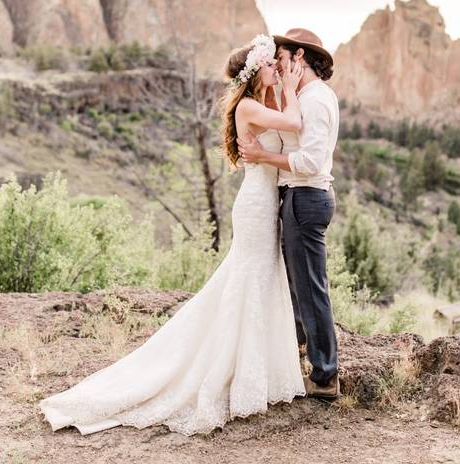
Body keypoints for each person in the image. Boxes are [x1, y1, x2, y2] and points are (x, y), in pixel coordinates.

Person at [38, 34, 308, 436]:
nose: (277, 68)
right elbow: (296, 124)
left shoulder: (259, 102)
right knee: (250, 277)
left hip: (267, 201)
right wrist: (290, 87)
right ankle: (225, 370)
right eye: (271, 64)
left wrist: (283, 90)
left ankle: (254, 370)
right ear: (255, 72)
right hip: (255, 204)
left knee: (262, 278)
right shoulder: (251, 106)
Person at [237, 28, 341, 401]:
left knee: (311, 288)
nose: (278, 65)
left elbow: (310, 160)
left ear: (299, 57)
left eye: (281, 57)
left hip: (305, 196)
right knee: (299, 286)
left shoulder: (313, 100)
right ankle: (299, 353)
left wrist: (263, 157)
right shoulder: (305, 96)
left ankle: (326, 376)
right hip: (299, 197)